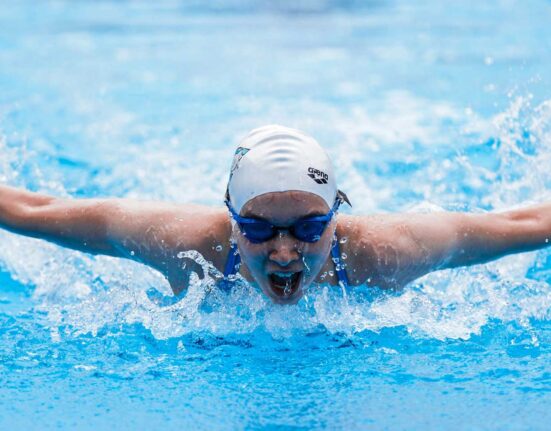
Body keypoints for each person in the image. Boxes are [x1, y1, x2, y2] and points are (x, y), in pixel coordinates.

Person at [0, 125, 550, 304]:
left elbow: (519, 226)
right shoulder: (188, 246)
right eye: (258, 229)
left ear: (336, 215)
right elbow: (36, 209)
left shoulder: (386, 253)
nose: (285, 251)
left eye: (309, 228)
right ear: (231, 218)